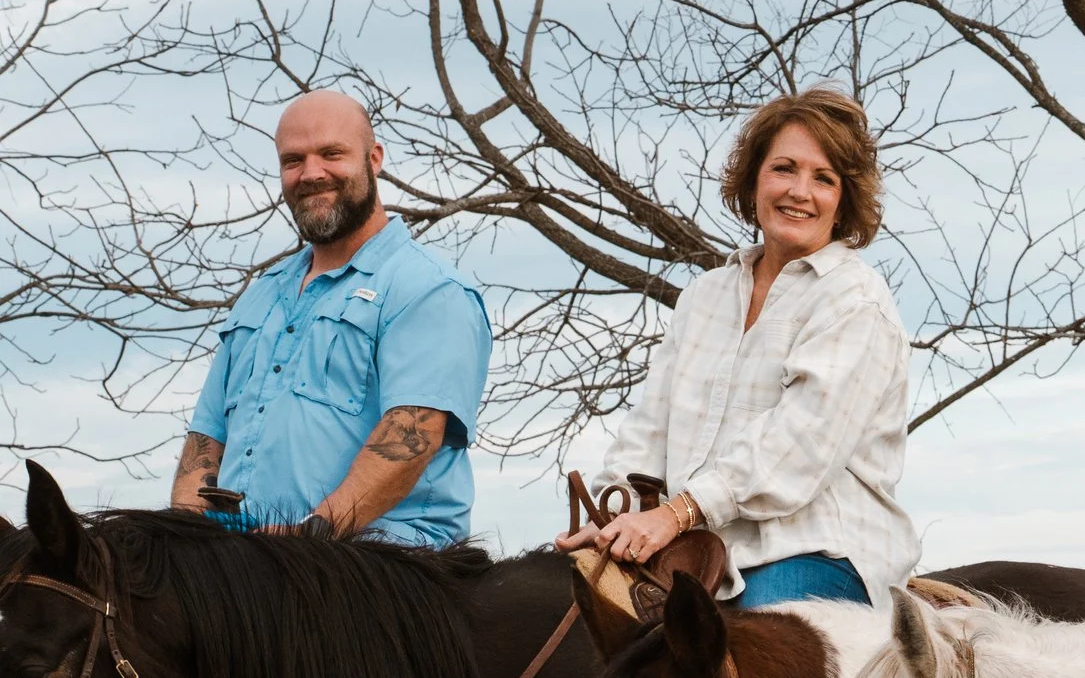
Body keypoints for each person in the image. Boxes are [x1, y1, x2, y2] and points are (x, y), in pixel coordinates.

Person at [560, 87, 917, 609]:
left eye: (824, 179)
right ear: (753, 180)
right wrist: (617, 517)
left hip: (816, 549)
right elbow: (650, 427)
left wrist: (676, 514)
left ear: (844, 202)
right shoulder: (705, 295)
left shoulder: (855, 301)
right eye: (784, 169)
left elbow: (798, 448)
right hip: (694, 547)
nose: (800, 191)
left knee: (739, 649)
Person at [175, 91, 489, 544]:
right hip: (255, 564)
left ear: (374, 159)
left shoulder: (429, 290)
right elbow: (204, 444)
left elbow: (410, 439)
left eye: (331, 153)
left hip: (386, 563)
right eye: (293, 160)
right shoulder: (260, 297)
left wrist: (309, 538)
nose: (311, 173)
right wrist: (187, 545)